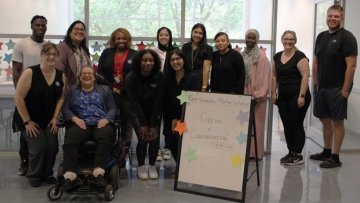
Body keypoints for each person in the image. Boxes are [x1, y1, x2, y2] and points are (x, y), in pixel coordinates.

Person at [310, 5, 358, 168]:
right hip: (322, 87)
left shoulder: (347, 37)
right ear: (326, 17)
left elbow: (351, 66)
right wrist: (315, 83)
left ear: (341, 18)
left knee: (337, 122)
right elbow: (316, 61)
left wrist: (345, 90)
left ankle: (335, 157)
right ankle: (326, 151)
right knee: (324, 120)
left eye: (336, 16)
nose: (332, 19)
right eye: (330, 16)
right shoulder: (321, 36)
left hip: (338, 88)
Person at [13, 42, 65, 187]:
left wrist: (56, 118)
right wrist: (27, 122)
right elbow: (18, 97)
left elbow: (61, 97)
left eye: (54, 54)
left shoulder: (61, 76)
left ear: (58, 57)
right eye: (48, 54)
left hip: (48, 119)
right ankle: (34, 174)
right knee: (39, 147)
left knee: (52, 146)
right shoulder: (30, 72)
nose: (51, 57)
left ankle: (47, 173)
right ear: (41, 55)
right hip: (28, 118)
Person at [61, 66, 116, 191]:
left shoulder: (105, 89)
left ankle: (98, 173)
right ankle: (71, 176)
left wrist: (106, 119)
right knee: (70, 139)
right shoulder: (72, 90)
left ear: (94, 77)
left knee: (105, 137)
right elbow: (65, 109)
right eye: (84, 73)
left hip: (100, 123)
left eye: (90, 73)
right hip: (81, 123)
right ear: (79, 77)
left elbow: (112, 108)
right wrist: (75, 119)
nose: (87, 75)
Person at [12, 15, 48, 176]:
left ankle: (40, 162)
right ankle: (24, 162)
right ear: (31, 26)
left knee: (39, 129)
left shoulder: (48, 46)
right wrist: (20, 93)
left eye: (43, 25)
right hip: (26, 95)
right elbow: (16, 70)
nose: (40, 27)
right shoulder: (22, 44)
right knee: (25, 131)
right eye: (37, 24)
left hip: (44, 97)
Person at [272, 30, 311, 166]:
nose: (288, 41)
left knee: (296, 123)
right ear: (282, 40)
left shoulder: (300, 56)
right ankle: (291, 152)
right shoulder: (277, 57)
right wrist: (273, 93)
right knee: (287, 124)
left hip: (298, 95)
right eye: (286, 39)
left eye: (291, 39)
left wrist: (302, 96)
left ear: (295, 41)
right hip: (283, 96)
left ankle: (298, 154)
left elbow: (306, 76)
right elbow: (274, 76)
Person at [126, 49, 165, 180]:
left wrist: (152, 124)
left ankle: (152, 166)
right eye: (144, 60)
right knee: (143, 139)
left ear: (155, 62)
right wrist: (143, 124)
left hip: (155, 112)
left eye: (151, 60)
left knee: (154, 140)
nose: (148, 63)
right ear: (139, 62)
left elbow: (159, 101)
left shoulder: (160, 77)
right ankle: (141, 166)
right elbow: (134, 102)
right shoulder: (131, 77)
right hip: (137, 113)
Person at [97, 28, 137, 153]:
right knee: (110, 122)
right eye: (118, 38)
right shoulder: (106, 53)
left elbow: (136, 75)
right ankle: (110, 151)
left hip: (127, 95)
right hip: (109, 94)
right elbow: (100, 73)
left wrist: (124, 88)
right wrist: (111, 87)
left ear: (128, 40)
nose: (121, 40)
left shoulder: (134, 54)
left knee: (127, 124)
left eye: (124, 38)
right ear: (113, 40)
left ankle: (124, 152)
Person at [163, 49, 197, 163]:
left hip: (186, 119)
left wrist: (180, 119)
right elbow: (166, 100)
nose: (175, 62)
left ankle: (184, 168)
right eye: (172, 60)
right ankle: (179, 167)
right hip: (170, 118)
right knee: (171, 142)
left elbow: (193, 102)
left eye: (178, 59)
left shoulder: (192, 78)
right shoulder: (167, 78)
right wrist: (173, 118)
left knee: (183, 143)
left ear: (183, 60)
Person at [241, 29, 271, 161]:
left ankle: (255, 153)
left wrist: (257, 95)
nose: (250, 40)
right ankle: (246, 152)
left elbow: (264, 78)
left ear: (257, 39)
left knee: (257, 125)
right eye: (248, 37)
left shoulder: (261, 56)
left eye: (253, 38)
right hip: (244, 94)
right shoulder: (243, 55)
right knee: (244, 124)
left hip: (256, 97)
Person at [151, 27, 177, 162]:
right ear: (157, 37)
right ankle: (154, 150)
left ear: (170, 37)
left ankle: (168, 147)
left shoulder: (175, 51)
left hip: (170, 90)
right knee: (155, 120)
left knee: (169, 119)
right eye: (161, 34)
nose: (163, 37)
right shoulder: (153, 51)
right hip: (155, 89)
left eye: (166, 35)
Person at [57, 20, 91, 88]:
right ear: (70, 33)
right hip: (68, 90)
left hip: (84, 89)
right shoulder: (62, 47)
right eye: (76, 29)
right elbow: (59, 71)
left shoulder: (84, 49)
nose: (79, 31)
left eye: (82, 30)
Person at [182, 23, 213, 92]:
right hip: (186, 81)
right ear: (192, 33)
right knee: (184, 102)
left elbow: (206, 69)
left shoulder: (208, 48)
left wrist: (204, 87)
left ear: (203, 35)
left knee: (197, 102)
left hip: (199, 82)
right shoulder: (185, 46)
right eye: (195, 32)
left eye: (200, 33)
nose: (197, 35)